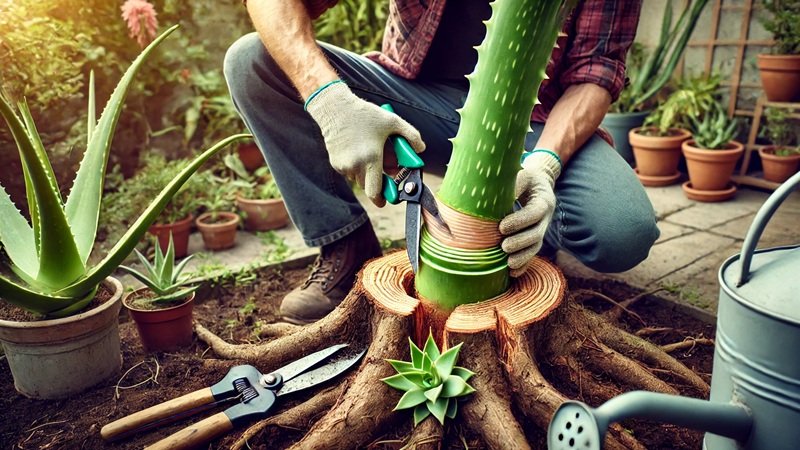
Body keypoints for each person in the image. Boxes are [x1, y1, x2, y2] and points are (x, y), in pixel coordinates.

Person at [224, 0, 660, 325]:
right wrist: (331, 101)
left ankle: (523, 238)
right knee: (251, 62)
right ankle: (346, 244)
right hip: (414, 99)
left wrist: (546, 164)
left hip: (531, 122)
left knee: (622, 230)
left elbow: (595, 73)